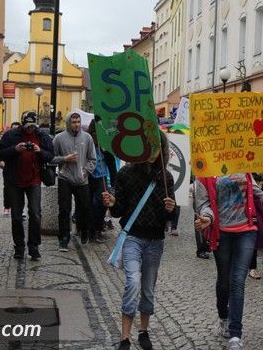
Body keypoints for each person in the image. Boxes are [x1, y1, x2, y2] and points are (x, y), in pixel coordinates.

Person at [102, 132, 176, 350]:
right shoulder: (126, 173)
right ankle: (125, 337)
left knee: (148, 289)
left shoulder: (166, 177)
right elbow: (119, 211)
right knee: (133, 281)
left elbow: (169, 216)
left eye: (157, 147)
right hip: (132, 236)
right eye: (149, 146)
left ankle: (143, 331)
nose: (153, 152)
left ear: (162, 150)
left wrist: (171, 209)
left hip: (155, 240)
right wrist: (112, 203)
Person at [194, 172, 263, 350]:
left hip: (246, 231)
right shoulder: (205, 170)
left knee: (238, 282)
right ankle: (223, 315)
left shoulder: (243, 165)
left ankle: (235, 334)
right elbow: (204, 204)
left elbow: (257, 193)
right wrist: (207, 218)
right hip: (221, 234)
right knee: (224, 281)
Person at [0, 110, 54, 261]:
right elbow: (0, 153)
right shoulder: (11, 135)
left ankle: (34, 247)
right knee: (16, 216)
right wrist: (15, 149)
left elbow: (50, 155)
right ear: (22, 124)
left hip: (34, 180)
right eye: (28, 126)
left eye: (33, 126)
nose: (31, 129)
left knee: (35, 214)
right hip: (15, 180)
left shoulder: (42, 136)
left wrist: (40, 151)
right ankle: (19, 247)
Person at [51, 111, 96, 249]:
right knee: (64, 209)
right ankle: (64, 238)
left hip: (82, 179)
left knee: (85, 208)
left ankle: (83, 230)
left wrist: (86, 171)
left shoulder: (87, 138)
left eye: (78, 122)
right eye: (74, 122)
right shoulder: (59, 138)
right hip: (65, 177)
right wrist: (64, 158)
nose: (76, 125)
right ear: (68, 123)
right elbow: (51, 158)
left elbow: (93, 159)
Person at [86, 119, 116, 243]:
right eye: (94, 135)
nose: (96, 138)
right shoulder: (87, 143)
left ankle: (97, 229)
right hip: (88, 176)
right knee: (87, 204)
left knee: (102, 203)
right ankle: (88, 230)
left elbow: (112, 165)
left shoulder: (105, 146)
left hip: (101, 177)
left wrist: (113, 184)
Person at [1, 121, 21, 216]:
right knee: (8, 188)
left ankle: (19, 207)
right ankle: (7, 206)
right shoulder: (7, 138)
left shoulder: (22, 139)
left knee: (20, 188)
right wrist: (1, 161)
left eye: (17, 129)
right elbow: (1, 151)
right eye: (13, 128)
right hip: (8, 167)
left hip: (20, 168)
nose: (15, 131)